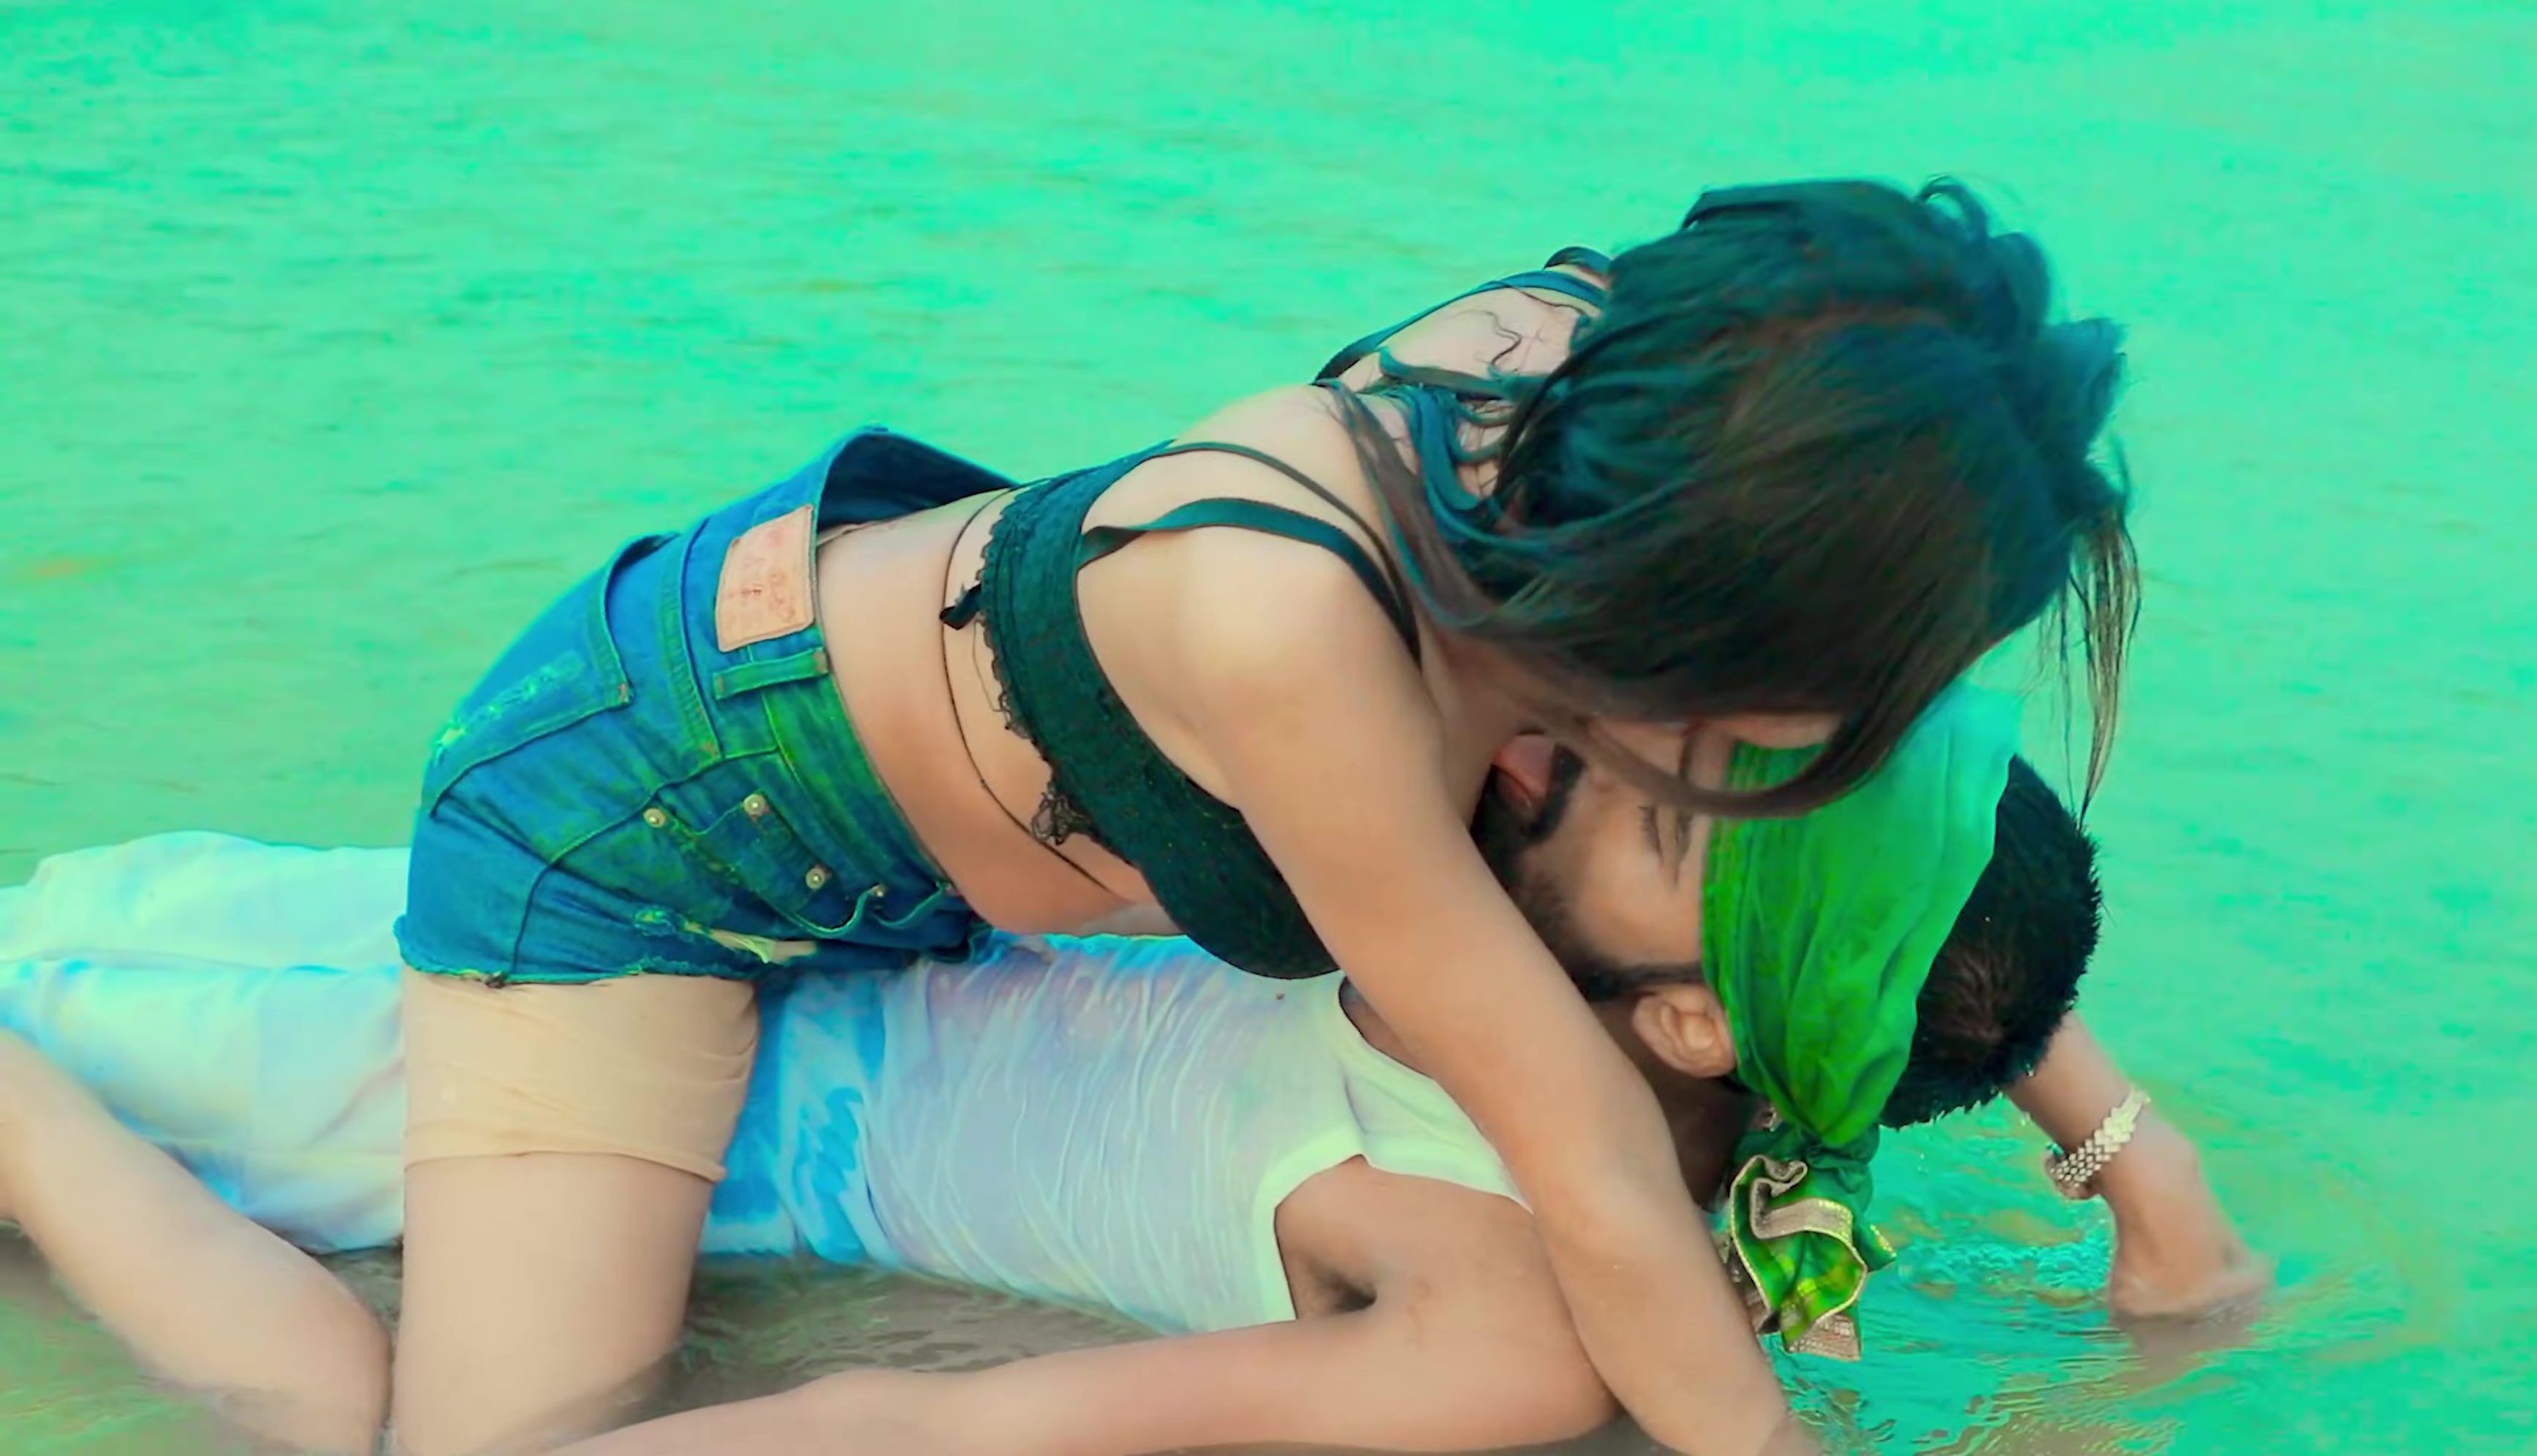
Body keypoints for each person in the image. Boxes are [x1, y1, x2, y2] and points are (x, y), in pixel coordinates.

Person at [384, 178, 2138, 1452]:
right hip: (646, 822)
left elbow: (1861, 903)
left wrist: (2126, 1147)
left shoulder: (1645, 406)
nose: (1881, 732)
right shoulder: (1300, 635)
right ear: (1729, 614)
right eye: (1872, 688)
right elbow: (1594, 1162)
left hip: (890, 704)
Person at [0, 697, 2259, 1455]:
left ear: (1693, 1019)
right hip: (536, 1008)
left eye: (1670, 814)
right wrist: (2139, 1168)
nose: (1583, 746)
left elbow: (971, 1434)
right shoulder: (1507, 910)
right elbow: (1933, 946)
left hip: (440, 1092)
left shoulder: (1524, 1319)